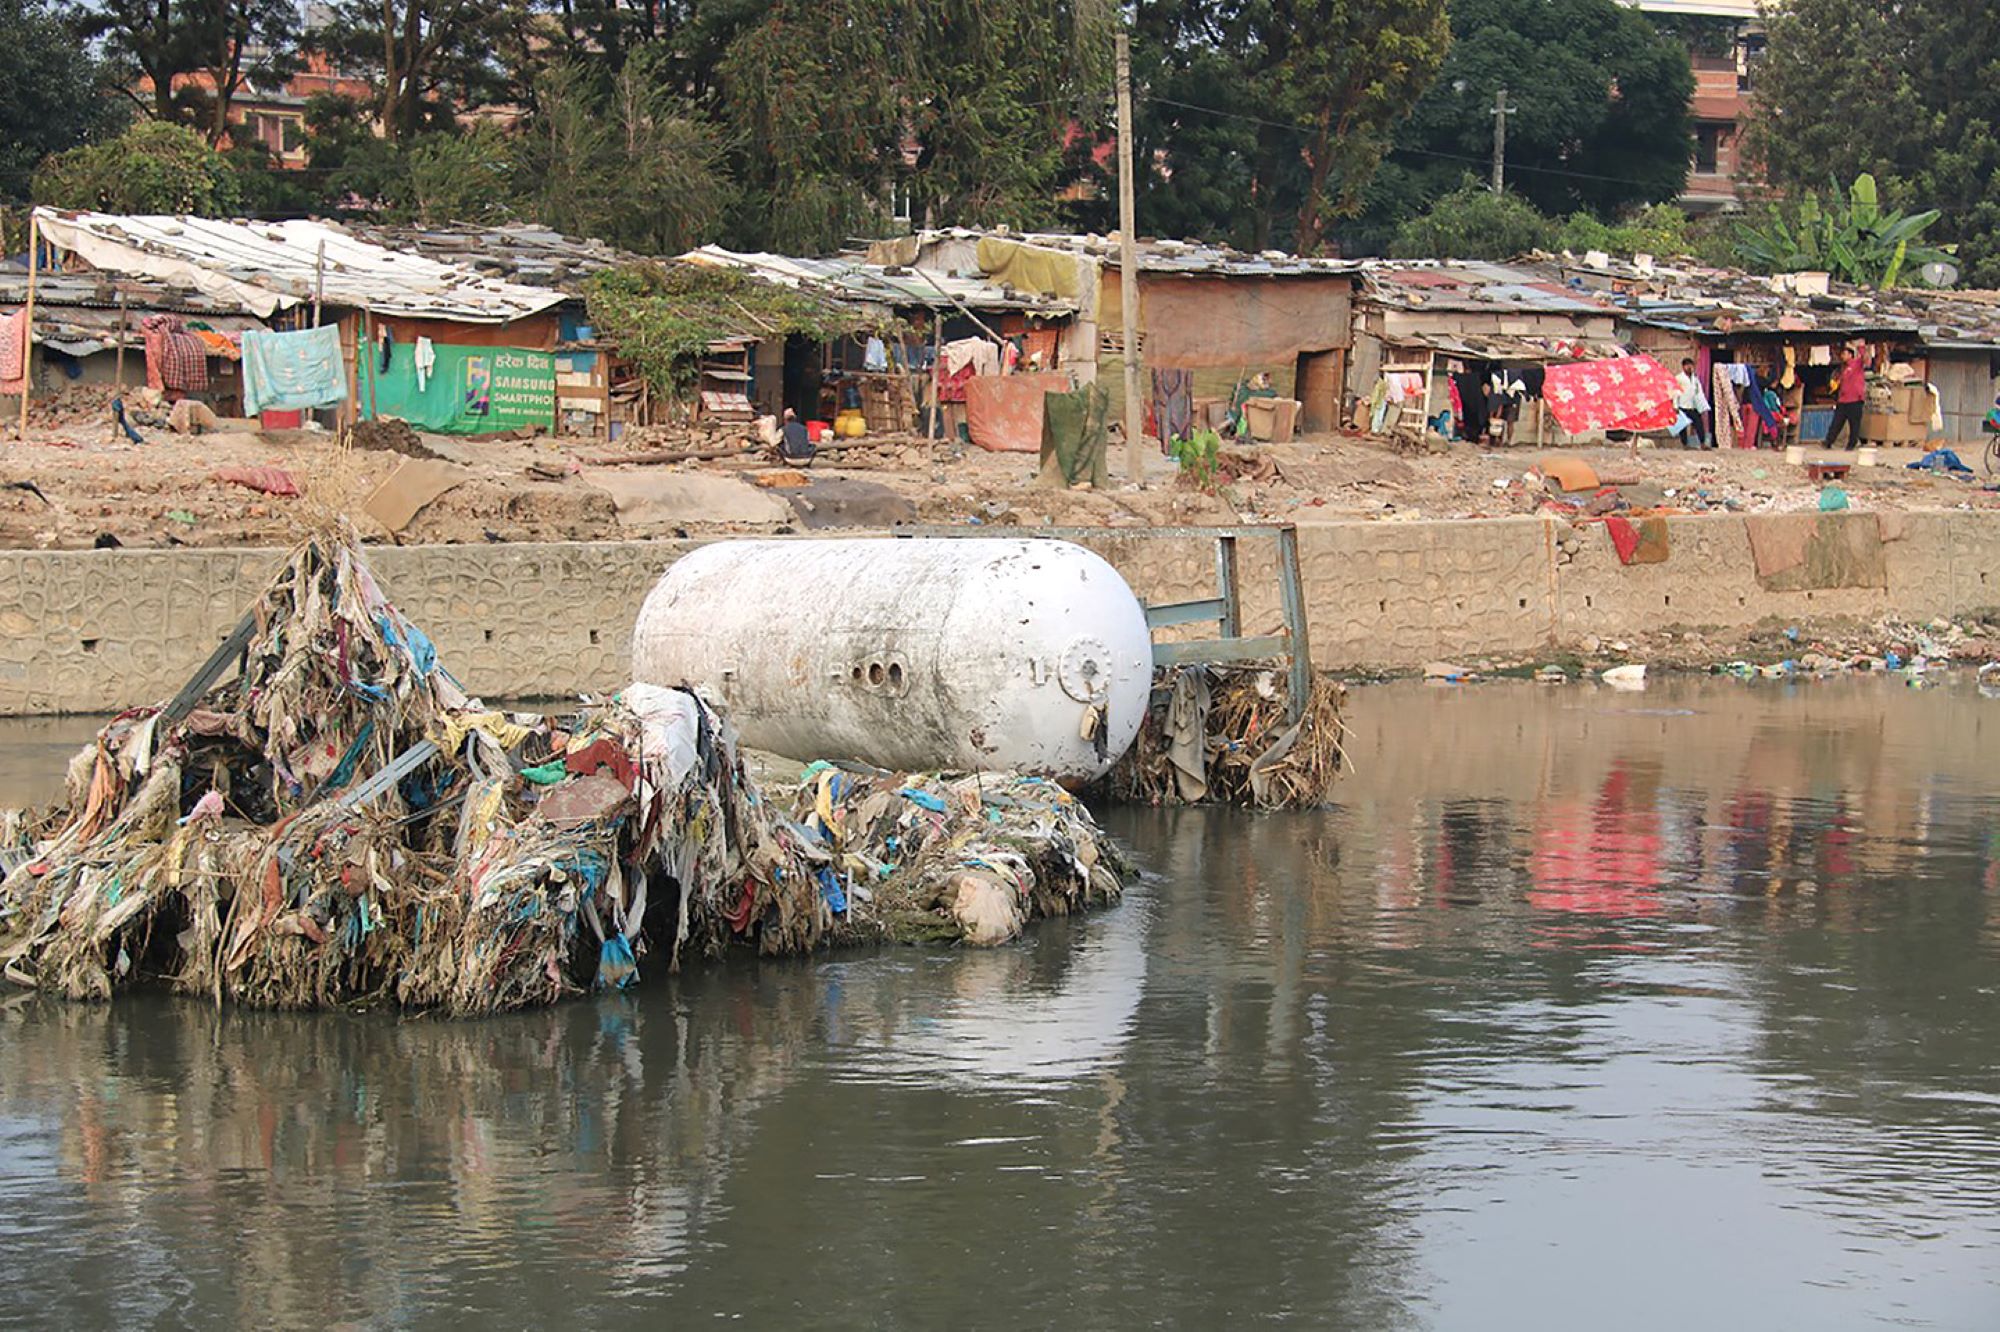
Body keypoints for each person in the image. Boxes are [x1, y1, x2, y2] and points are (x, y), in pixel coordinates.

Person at [1825, 340, 1870, 450]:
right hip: (1843, 400)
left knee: (1854, 425)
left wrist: (1860, 346)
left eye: (1844, 354)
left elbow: (1866, 359)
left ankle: (1851, 445)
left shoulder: (1857, 363)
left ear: (1850, 355)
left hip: (1855, 400)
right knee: (1836, 423)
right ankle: (1828, 442)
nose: (1842, 356)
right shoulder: (1842, 369)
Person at [1674, 358, 1711, 448]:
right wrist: (1675, 406)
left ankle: (1702, 443)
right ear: (1683, 367)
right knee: (1682, 427)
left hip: (1692, 406)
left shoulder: (1695, 379)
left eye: (1690, 365)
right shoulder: (1679, 378)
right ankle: (1685, 444)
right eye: (1687, 365)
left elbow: (1699, 392)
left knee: (1699, 424)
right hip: (1682, 406)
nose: (1689, 367)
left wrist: (1702, 405)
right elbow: (1675, 392)